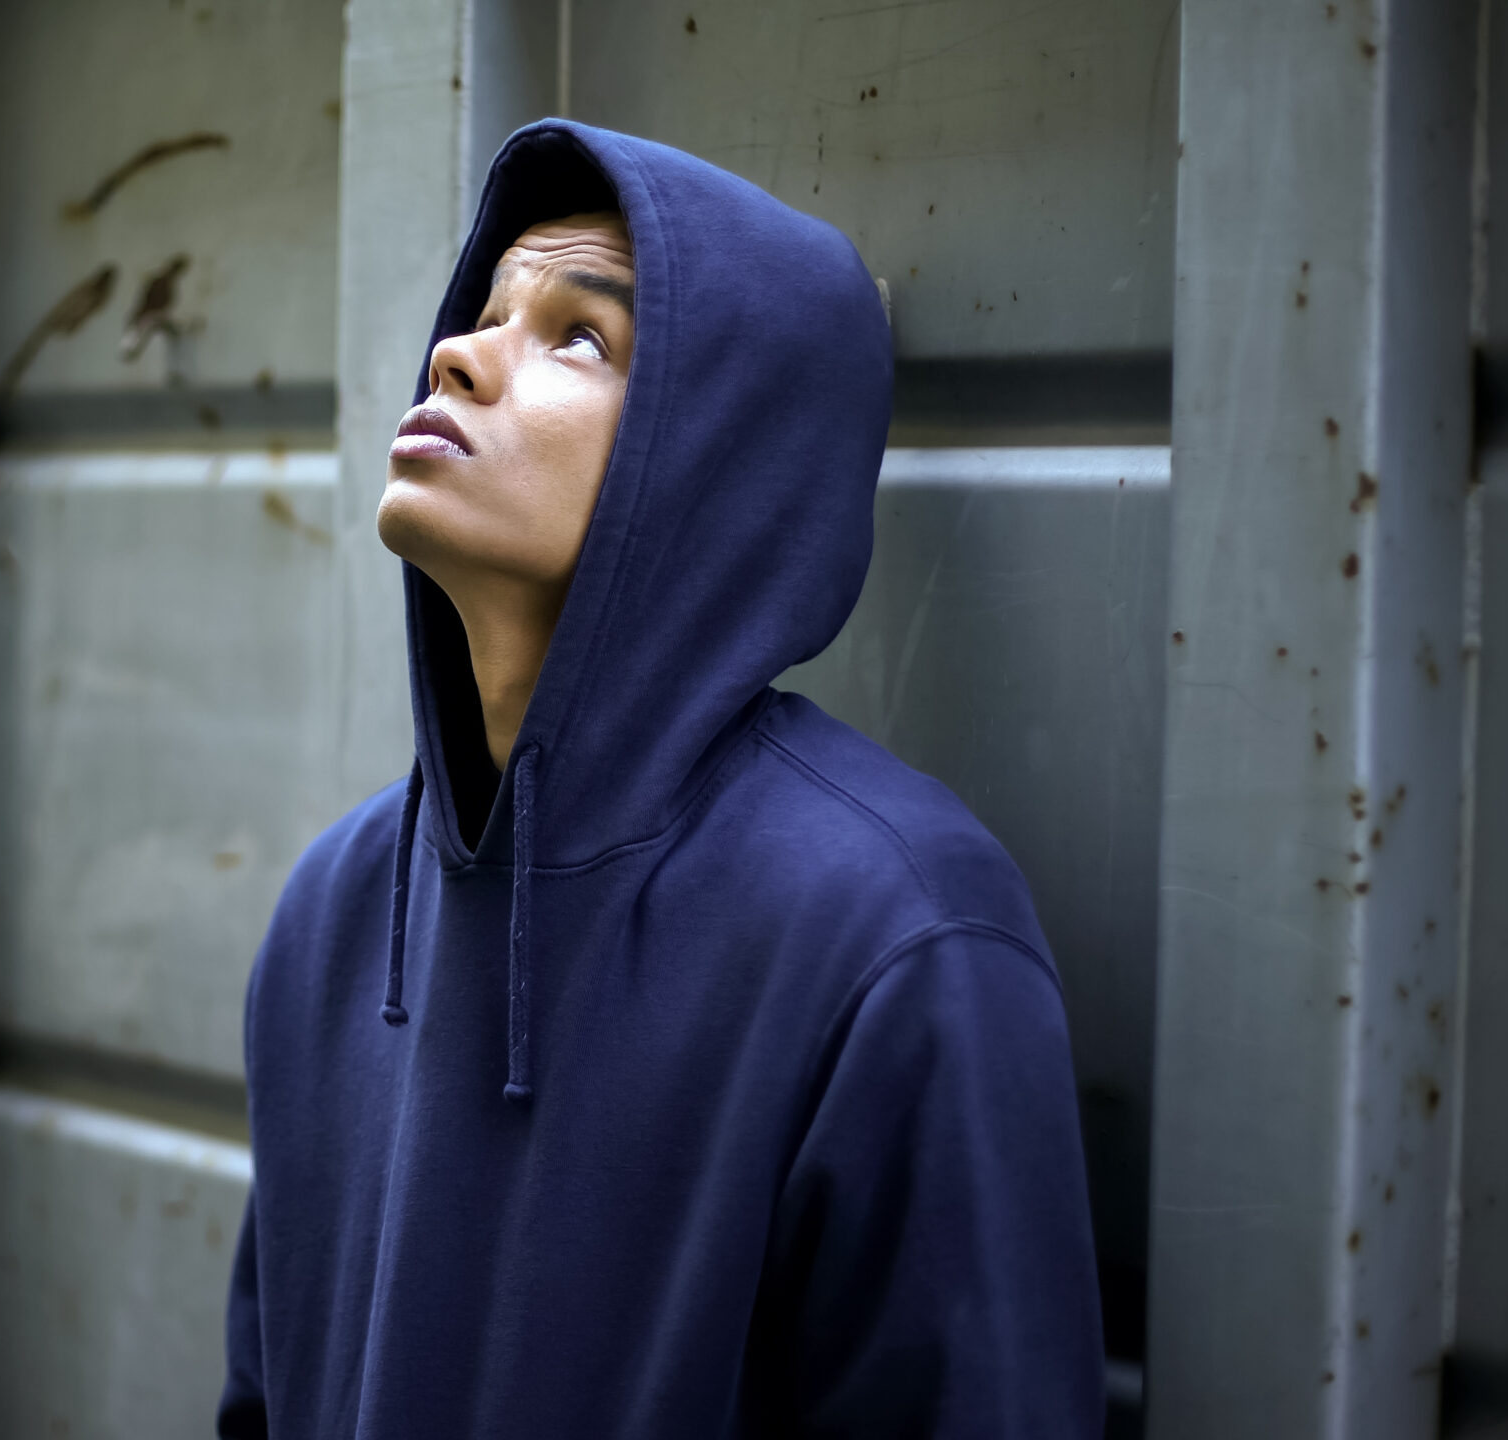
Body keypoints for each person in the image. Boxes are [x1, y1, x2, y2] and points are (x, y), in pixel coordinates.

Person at [218, 120, 1103, 1438]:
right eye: (487, 309)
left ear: (715, 458)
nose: (459, 353)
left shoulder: (892, 933)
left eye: (578, 334)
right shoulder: (334, 915)